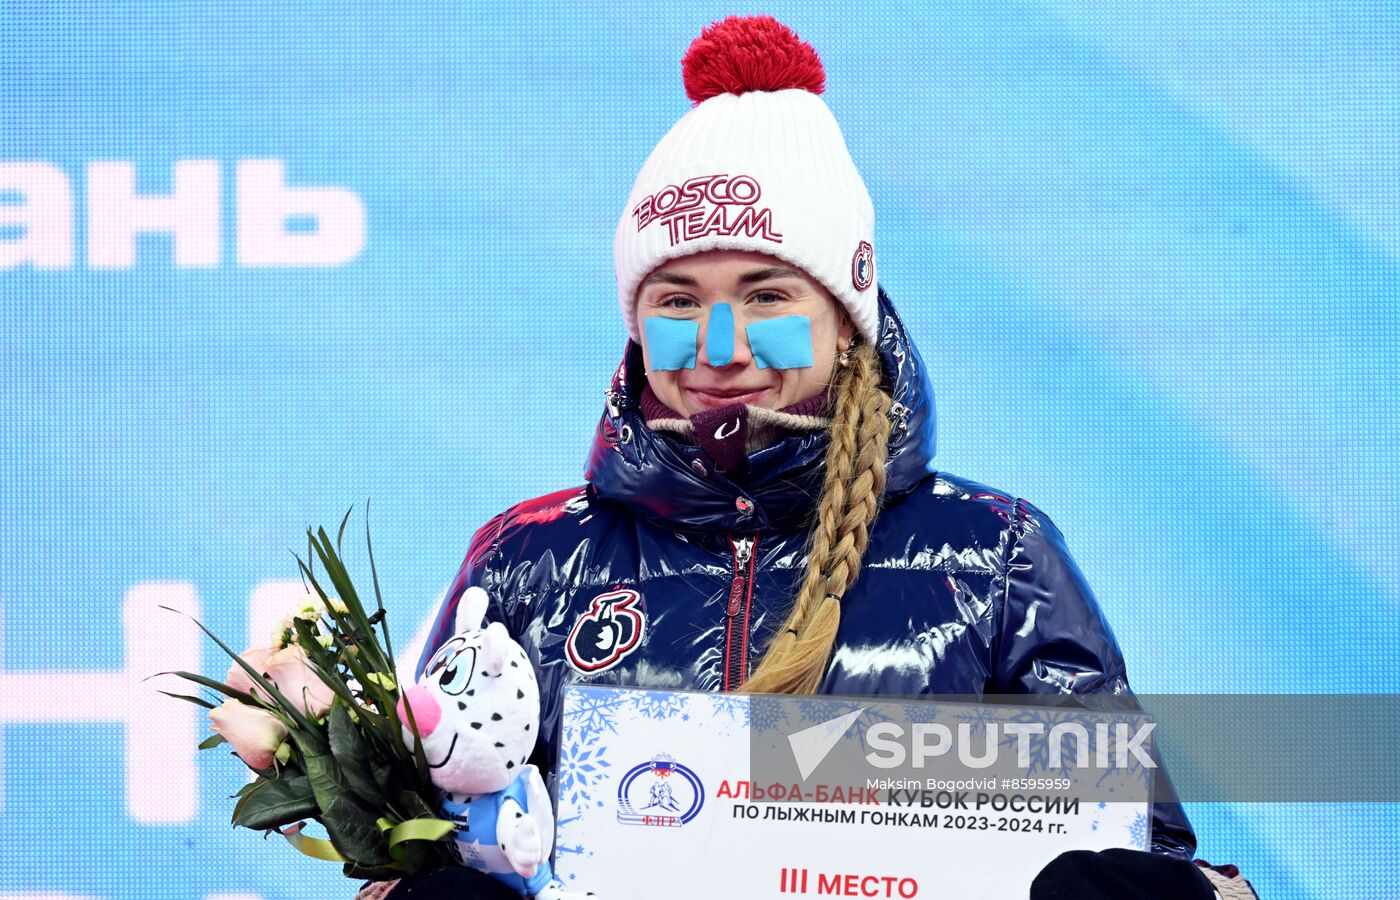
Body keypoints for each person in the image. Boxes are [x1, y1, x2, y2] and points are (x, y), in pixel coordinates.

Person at [383, 15, 1257, 900]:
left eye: (766, 295)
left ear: (847, 321)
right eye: (677, 301)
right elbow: (416, 837)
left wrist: (1166, 895)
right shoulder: (528, 560)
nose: (718, 345)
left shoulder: (996, 558)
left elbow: (1150, 843)